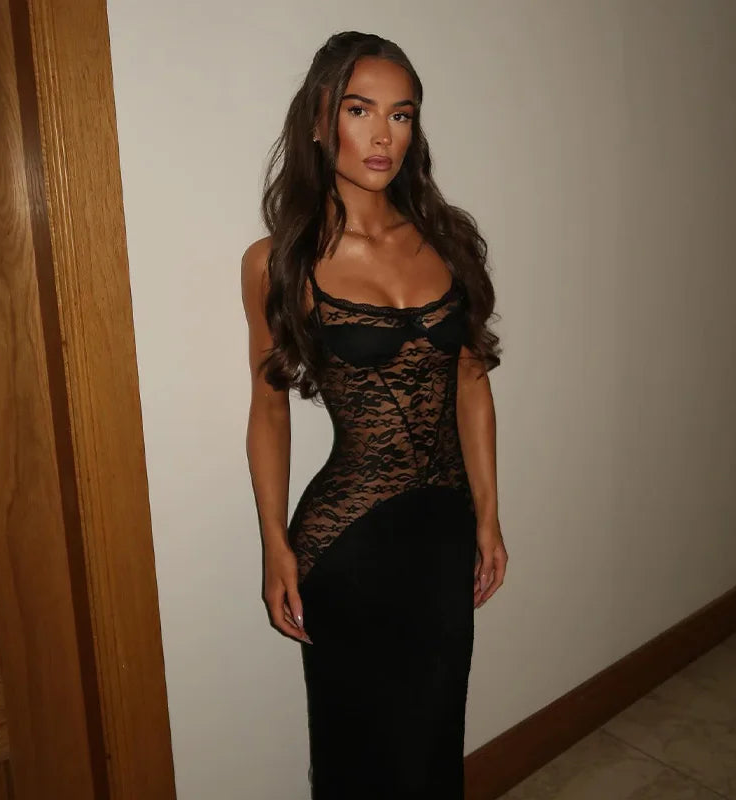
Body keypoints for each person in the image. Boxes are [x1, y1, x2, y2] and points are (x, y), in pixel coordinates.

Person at [241, 30, 506, 799]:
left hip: (443, 535)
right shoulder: (279, 261)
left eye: (402, 114)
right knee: (358, 753)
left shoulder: (447, 239)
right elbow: (269, 411)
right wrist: (273, 546)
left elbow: (471, 383)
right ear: (319, 121)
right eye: (360, 110)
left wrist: (489, 516)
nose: (383, 134)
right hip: (347, 543)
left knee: (433, 740)